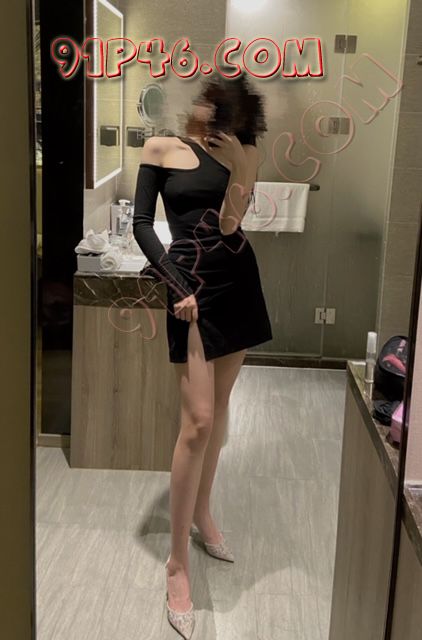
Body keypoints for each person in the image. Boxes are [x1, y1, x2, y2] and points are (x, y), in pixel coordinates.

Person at [132, 73, 272, 639]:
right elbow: (143, 224)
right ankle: (176, 565)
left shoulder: (241, 154)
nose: (204, 113)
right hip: (187, 290)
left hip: (236, 286)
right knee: (197, 421)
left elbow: (232, 225)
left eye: (216, 108)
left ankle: (204, 512)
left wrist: (242, 166)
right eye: (205, 103)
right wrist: (175, 282)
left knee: (219, 413)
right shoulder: (160, 148)